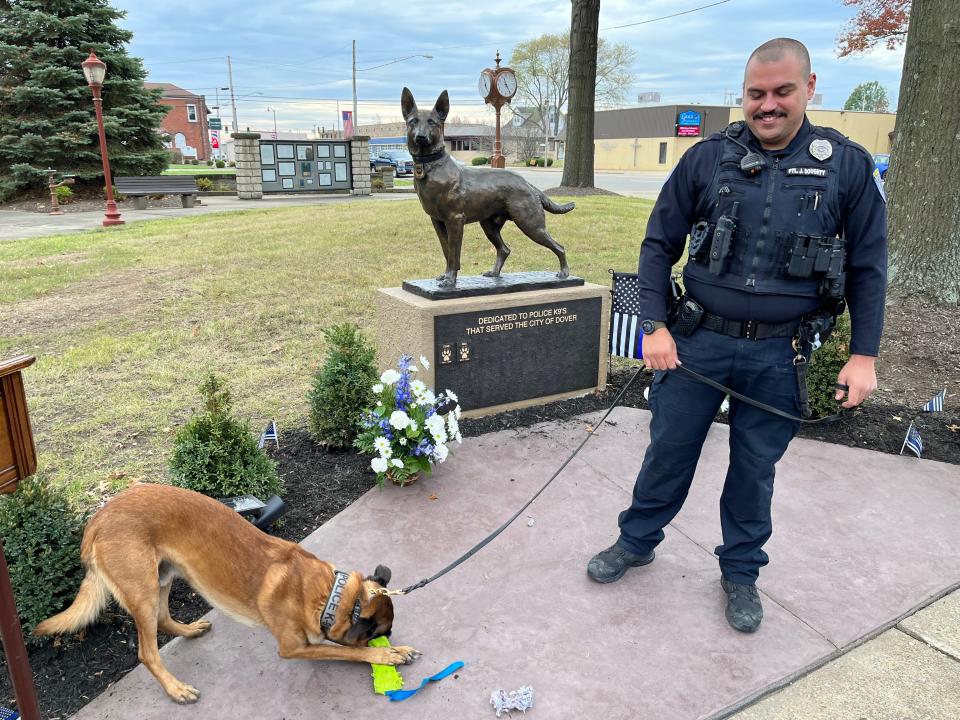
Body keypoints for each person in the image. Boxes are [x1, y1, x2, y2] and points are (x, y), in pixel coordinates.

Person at [587, 38, 888, 633]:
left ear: (809, 87)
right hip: (697, 340)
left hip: (782, 352)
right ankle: (637, 539)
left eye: (782, 92)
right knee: (669, 450)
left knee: (754, 469)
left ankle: (741, 573)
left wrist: (864, 355)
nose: (768, 105)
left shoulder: (847, 166)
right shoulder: (706, 159)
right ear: (743, 94)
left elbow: (869, 267)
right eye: (756, 93)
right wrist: (653, 325)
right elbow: (657, 246)